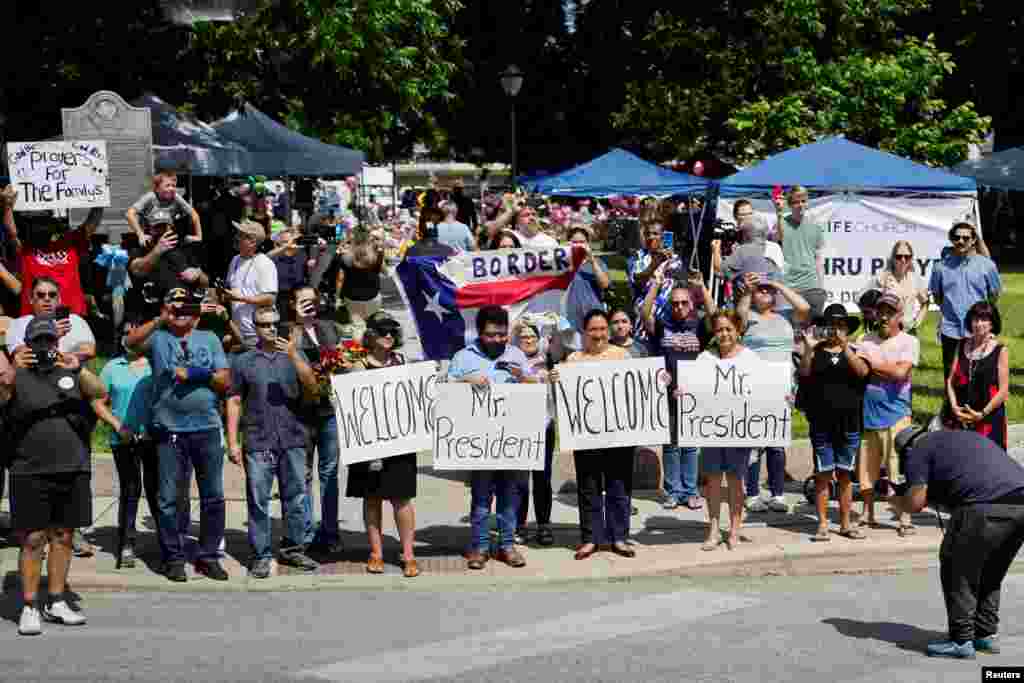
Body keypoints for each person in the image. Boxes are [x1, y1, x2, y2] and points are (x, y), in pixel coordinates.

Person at [3, 314, 106, 636]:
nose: (45, 346)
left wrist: (77, 367)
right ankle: (30, 604)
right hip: (28, 468)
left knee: (63, 536)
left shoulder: (69, 371)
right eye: (38, 341)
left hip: (72, 466)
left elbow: (100, 392)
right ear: (27, 344)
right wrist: (14, 368)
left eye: (49, 340)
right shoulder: (15, 375)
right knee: (33, 539)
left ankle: (57, 599)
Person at [125, 288, 231, 583]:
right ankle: (173, 557)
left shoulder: (209, 339)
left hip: (207, 428)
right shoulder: (159, 338)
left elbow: (224, 379)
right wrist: (161, 318)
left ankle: (208, 556)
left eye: (188, 308)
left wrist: (197, 374)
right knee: (168, 498)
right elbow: (129, 344)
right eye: (177, 307)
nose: (181, 312)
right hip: (170, 429)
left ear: (196, 314)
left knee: (213, 497)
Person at [895, 425, 1024, 659]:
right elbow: (963, 483)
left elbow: (915, 503)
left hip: (984, 506)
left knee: (958, 567)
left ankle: (961, 640)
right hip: (1020, 504)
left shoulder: (918, 450)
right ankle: (983, 634)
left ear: (906, 449)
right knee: (991, 570)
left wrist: (895, 500)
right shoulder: (959, 438)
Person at [227, 307, 320, 579]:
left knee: (296, 497)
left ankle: (293, 548)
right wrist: (232, 441)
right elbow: (233, 400)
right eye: (265, 324)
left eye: (275, 324)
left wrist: (293, 355)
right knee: (259, 500)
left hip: (292, 437)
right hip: (258, 440)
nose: (271, 329)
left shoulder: (294, 355)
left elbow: (313, 388)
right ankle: (261, 554)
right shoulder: (243, 361)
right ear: (255, 327)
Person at [447, 305, 530, 570]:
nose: (497, 340)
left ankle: (507, 546)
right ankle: (480, 547)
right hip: (478, 442)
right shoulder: (463, 357)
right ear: (479, 333)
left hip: (511, 440)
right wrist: (466, 381)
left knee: (509, 496)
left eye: (502, 334)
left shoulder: (517, 354)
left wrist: (523, 377)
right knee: (481, 498)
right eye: (491, 334)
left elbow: (535, 391)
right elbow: (443, 389)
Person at [551, 309, 636, 560]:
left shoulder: (623, 356)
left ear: (608, 331)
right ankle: (590, 539)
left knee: (618, 486)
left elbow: (640, 386)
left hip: (618, 435)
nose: (598, 334)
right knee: (588, 488)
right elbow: (563, 395)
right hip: (586, 436)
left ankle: (619, 537)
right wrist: (556, 378)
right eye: (593, 330)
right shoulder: (574, 359)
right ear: (584, 333)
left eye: (602, 329)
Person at [90, 320, 169, 569]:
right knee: (130, 491)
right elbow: (98, 400)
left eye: (138, 333)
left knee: (158, 493)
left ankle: (167, 545)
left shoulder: (156, 366)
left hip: (153, 438)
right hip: (123, 440)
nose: (132, 338)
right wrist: (117, 425)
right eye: (126, 333)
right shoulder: (113, 367)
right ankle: (126, 544)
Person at [680, 311, 761, 550]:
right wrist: (683, 393)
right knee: (713, 481)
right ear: (714, 334)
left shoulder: (750, 359)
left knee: (736, 481)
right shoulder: (705, 358)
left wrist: (779, 396)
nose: (724, 334)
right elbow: (692, 388)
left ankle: (735, 529)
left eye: (728, 329)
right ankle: (714, 529)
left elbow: (765, 389)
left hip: (739, 430)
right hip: (711, 430)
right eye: (719, 330)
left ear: (737, 331)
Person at [347, 313, 421, 577]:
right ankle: (376, 553)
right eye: (382, 331)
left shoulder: (403, 362)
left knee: (402, 499)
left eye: (392, 331)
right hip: (368, 442)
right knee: (372, 498)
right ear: (370, 335)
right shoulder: (358, 366)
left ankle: (409, 554)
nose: (388, 335)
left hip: (400, 440)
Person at [735, 272, 810, 513]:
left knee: (777, 444)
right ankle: (753, 493)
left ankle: (778, 493)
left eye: (769, 291)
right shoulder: (748, 317)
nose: (765, 293)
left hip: (782, 390)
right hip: (754, 388)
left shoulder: (786, 317)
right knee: (755, 443)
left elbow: (804, 307)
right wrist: (748, 290)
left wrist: (776, 283)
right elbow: (738, 316)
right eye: (761, 290)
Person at [644, 270, 715, 511]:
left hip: (693, 397)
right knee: (671, 445)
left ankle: (691, 491)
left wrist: (702, 288)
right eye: (675, 303)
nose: (679, 307)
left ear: (692, 304)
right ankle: (673, 491)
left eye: (684, 302)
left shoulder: (699, 325)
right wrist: (656, 285)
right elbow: (645, 315)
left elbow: (716, 317)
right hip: (668, 396)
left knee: (691, 445)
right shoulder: (663, 325)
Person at [799, 304, 871, 542]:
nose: (836, 330)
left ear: (847, 329)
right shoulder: (816, 350)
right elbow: (804, 374)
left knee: (845, 475)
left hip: (849, 423)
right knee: (822, 474)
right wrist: (809, 349)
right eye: (832, 326)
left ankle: (845, 523)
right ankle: (821, 524)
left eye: (841, 326)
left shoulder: (856, 351)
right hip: (821, 423)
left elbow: (862, 373)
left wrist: (845, 348)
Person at [856, 292, 920, 535]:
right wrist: (881, 368)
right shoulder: (865, 339)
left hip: (897, 415)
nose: (884, 316)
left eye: (889, 313)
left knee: (897, 471)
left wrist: (872, 364)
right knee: (866, 471)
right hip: (869, 414)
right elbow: (861, 372)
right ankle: (867, 513)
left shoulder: (908, 342)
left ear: (899, 316)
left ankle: (904, 518)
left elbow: (900, 374)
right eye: (881, 311)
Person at [291, 287, 347, 555]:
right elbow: (287, 355)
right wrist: (299, 323)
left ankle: (330, 532)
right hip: (300, 413)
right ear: (293, 305)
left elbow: (343, 357)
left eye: (312, 301)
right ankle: (305, 533)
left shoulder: (329, 327)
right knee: (302, 476)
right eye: (303, 302)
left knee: (329, 474)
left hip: (327, 412)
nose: (310, 306)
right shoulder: (287, 329)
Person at [930, 221, 1001, 380]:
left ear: (974, 240)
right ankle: (950, 405)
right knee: (951, 374)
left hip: (979, 328)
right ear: (951, 239)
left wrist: (982, 315)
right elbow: (937, 296)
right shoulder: (939, 267)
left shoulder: (987, 265)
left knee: (980, 375)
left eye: (965, 237)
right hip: (950, 328)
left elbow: (994, 294)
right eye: (957, 237)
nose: (961, 241)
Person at [511, 320, 559, 547]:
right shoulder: (508, 361)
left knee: (543, 479)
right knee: (519, 481)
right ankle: (519, 525)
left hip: (544, 425)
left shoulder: (549, 360)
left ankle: (543, 525)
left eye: (532, 336)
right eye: (523, 337)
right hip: (518, 427)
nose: (528, 340)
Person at [10, 206, 104, 318]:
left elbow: (91, 225)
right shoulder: (26, 250)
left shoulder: (70, 242)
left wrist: (99, 199)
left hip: (71, 315)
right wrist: (7, 207)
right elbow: (12, 234)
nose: (42, 226)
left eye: (46, 221)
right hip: (36, 318)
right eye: (37, 223)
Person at [945, 301, 1009, 451]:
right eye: (975, 319)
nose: (979, 323)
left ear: (992, 324)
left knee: (988, 464)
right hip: (960, 416)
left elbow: (1003, 390)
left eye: (984, 319)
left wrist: (981, 414)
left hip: (988, 417)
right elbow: (950, 380)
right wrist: (954, 407)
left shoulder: (1000, 350)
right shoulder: (961, 345)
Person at [126, 222, 209, 321]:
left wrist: (198, 274)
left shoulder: (185, 249)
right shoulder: (140, 250)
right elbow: (137, 270)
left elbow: (206, 283)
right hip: (154, 320)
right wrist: (157, 250)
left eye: (165, 226)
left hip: (185, 319)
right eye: (157, 226)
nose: (162, 231)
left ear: (171, 227)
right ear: (148, 228)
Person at [7, 276, 96, 363]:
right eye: (40, 295)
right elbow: (24, 356)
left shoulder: (75, 320)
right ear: (31, 299)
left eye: (52, 295)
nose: (47, 298)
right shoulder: (18, 324)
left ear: (59, 299)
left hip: (71, 374)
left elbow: (88, 351)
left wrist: (50, 357)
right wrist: (51, 337)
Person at [774, 186, 827, 319]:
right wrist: (779, 213)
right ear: (790, 205)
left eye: (803, 201)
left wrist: (821, 285)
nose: (800, 205)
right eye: (796, 202)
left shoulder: (815, 226)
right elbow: (778, 238)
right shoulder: (782, 223)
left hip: (811, 284)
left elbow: (818, 257)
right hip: (789, 284)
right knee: (790, 327)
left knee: (812, 327)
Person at [224, 220, 278, 348]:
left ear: (252, 242)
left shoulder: (264, 263)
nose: (236, 237)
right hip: (237, 331)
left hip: (257, 335)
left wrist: (240, 298)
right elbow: (230, 288)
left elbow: (270, 299)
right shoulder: (235, 260)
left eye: (240, 235)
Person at [861, 240, 929, 334]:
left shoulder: (916, 279)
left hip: (908, 331)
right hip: (886, 331)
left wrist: (916, 322)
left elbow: (925, 303)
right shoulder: (882, 278)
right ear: (893, 258)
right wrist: (874, 317)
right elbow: (860, 298)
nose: (903, 260)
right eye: (899, 256)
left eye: (907, 257)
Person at [333, 226, 386, 339]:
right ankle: (375, 347)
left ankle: (360, 352)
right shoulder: (376, 254)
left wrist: (338, 297)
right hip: (373, 296)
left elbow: (340, 279)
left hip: (352, 298)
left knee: (358, 326)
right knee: (372, 324)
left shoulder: (345, 257)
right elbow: (385, 271)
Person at [126, 170, 202, 247]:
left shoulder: (175, 197)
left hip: (167, 239)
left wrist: (198, 236)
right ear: (157, 188)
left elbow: (194, 214)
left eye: (173, 186)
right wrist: (140, 235)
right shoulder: (150, 197)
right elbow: (129, 214)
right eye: (167, 185)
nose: (171, 188)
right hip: (149, 239)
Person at [563, 226, 611, 344]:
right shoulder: (562, 263)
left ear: (588, 243)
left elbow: (605, 284)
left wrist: (592, 261)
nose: (579, 245)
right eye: (575, 242)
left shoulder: (598, 263)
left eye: (582, 242)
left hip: (594, 320)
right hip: (570, 320)